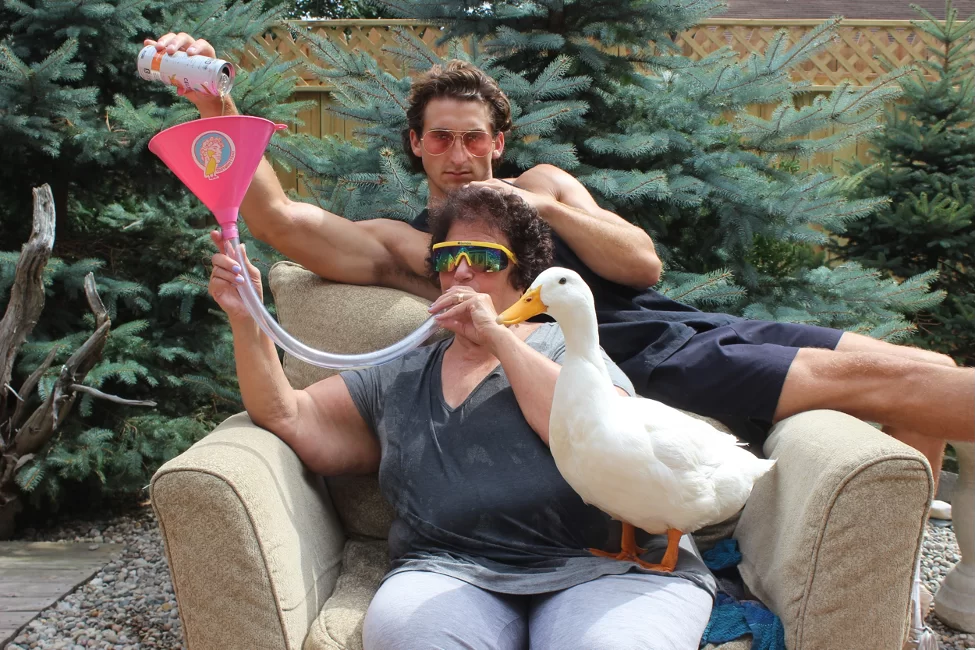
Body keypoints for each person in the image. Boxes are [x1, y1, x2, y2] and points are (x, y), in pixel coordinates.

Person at [147, 33, 974, 480]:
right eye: (442, 139)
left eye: (475, 139)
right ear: (416, 145)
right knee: (901, 384)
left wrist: (536, 204)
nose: (460, 155)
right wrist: (218, 104)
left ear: (498, 142)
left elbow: (642, 266)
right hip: (632, 363)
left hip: (689, 324)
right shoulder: (413, 245)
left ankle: (924, 580)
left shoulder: (543, 183)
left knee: (930, 367)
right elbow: (280, 218)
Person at [208, 185, 717, 649]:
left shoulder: (570, 351)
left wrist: (497, 337)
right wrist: (246, 319)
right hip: (448, 571)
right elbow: (289, 413)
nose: (463, 272)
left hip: (606, 569)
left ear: (523, 272)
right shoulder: (403, 373)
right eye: (449, 256)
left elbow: (602, 431)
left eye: (485, 257)